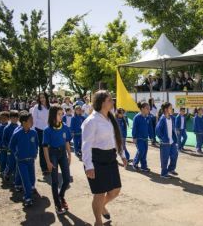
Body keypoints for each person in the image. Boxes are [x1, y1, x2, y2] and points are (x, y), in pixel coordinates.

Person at [81, 90, 127, 226]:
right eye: (109, 100)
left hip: (110, 158)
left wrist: (122, 155)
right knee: (99, 194)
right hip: (96, 160)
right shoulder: (91, 121)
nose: (112, 102)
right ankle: (98, 221)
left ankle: (101, 207)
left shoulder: (110, 117)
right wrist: (88, 165)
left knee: (115, 190)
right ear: (101, 103)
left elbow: (116, 139)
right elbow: (86, 145)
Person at [43, 105, 72, 214]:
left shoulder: (64, 127)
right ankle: (57, 204)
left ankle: (61, 196)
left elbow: (67, 142)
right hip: (53, 154)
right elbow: (45, 147)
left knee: (67, 179)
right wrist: (48, 162)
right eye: (59, 114)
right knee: (55, 182)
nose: (61, 116)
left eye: (62, 114)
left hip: (63, 153)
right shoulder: (47, 130)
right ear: (53, 115)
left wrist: (69, 155)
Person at [9, 111, 38, 207]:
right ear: (24, 122)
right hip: (21, 161)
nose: (33, 121)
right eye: (31, 120)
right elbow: (11, 146)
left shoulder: (33, 133)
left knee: (32, 177)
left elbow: (36, 144)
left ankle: (30, 189)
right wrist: (16, 154)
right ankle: (27, 197)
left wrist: (35, 152)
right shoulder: (17, 134)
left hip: (31, 160)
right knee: (25, 180)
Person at [156, 102, 179, 179]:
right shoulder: (162, 119)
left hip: (172, 141)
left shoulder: (172, 118)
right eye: (170, 108)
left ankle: (171, 169)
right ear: (166, 110)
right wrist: (163, 138)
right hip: (165, 142)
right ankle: (163, 173)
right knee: (164, 158)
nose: (172, 109)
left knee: (175, 155)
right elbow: (158, 131)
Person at [31, 92, 50, 175]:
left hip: (50, 131)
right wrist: (32, 131)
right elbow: (33, 120)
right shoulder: (36, 107)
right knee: (42, 149)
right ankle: (44, 168)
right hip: (40, 130)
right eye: (40, 98)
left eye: (43, 97)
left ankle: (50, 165)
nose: (42, 99)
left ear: (46, 98)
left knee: (50, 148)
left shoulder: (51, 107)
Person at [132, 102, 153, 171]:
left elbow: (150, 128)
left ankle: (144, 167)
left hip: (145, 138)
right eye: (147, 108)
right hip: (139, 138)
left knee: (144, 152)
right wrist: (134, 137)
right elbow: (134, 128)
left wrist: (151, 136)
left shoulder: (148, 117)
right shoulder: (137, 117)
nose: (149, 110)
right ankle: (135, 163)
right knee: (141, 151)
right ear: (142, 109)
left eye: (149, 108)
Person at [3, 110, 21, 187]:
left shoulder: (19, 127)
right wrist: (7, 147)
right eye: (13, 118)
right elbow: (4, 139)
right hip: (10, 150)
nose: (15, 119)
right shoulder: (7, 128)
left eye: (16, 118)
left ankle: (15, 180)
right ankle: (6, 172)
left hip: (18, 150)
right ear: (10, 118)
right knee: (11, 164)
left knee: (17, 165)